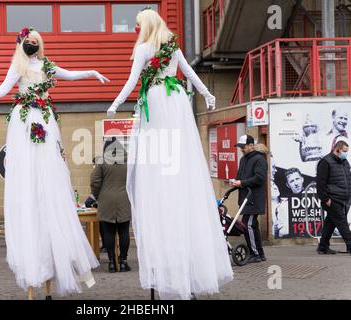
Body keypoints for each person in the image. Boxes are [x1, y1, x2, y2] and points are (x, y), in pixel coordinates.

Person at [0, 27, 109, 298]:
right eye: (27, 41)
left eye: (35, 41)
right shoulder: (17, 66)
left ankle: (51, 258)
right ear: (21, 44)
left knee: (49, 170)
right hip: (25, 121)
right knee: (29, 175)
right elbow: (2, 89)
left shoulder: (47, 66)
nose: (31, 44)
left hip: (43, 118)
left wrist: (91, 72)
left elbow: (70, 74)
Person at [106, 8, 233, 300]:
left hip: (157, 102)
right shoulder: (172, 46)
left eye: (137, 25)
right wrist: (208, 94)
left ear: (145, 26)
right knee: (180, 160)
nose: (136, 30)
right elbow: (189, 75)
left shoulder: (143, 49)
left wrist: (115, 104)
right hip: (175, 101)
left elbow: (132, 82)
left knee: (156, 162)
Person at [90, 138, 132, 273]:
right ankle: (123, 262)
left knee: (108, 232)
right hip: (124, 199)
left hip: (106, 199)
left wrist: (97, 196)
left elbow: (95, 181)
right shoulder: (128, 161)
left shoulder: (101, 162)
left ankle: (112, 263)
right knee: (124, 232)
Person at [231, 135, 268, 263]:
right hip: (246, 198)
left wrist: (242, 183)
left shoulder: (259, 159)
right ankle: (259, 253)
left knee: (249, 224)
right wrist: (236, 182)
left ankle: (256, 253)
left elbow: (259, 178)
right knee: (250, 225)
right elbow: (240, 176)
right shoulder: (243, 160)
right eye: (240, 147)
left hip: (254, 198)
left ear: (251, 146)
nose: (241, 149)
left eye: (244, 146)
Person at [316, 138, 351, 255]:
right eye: (344, 151)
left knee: (330, 223)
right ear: (337, 149)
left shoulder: (345, 162)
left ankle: (323, 247)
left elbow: (348, 179)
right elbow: (320, 183)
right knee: (342, 222)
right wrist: (325, 198)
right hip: (332, 198)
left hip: (344, 198)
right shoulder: (325, 162)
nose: (346, 153)